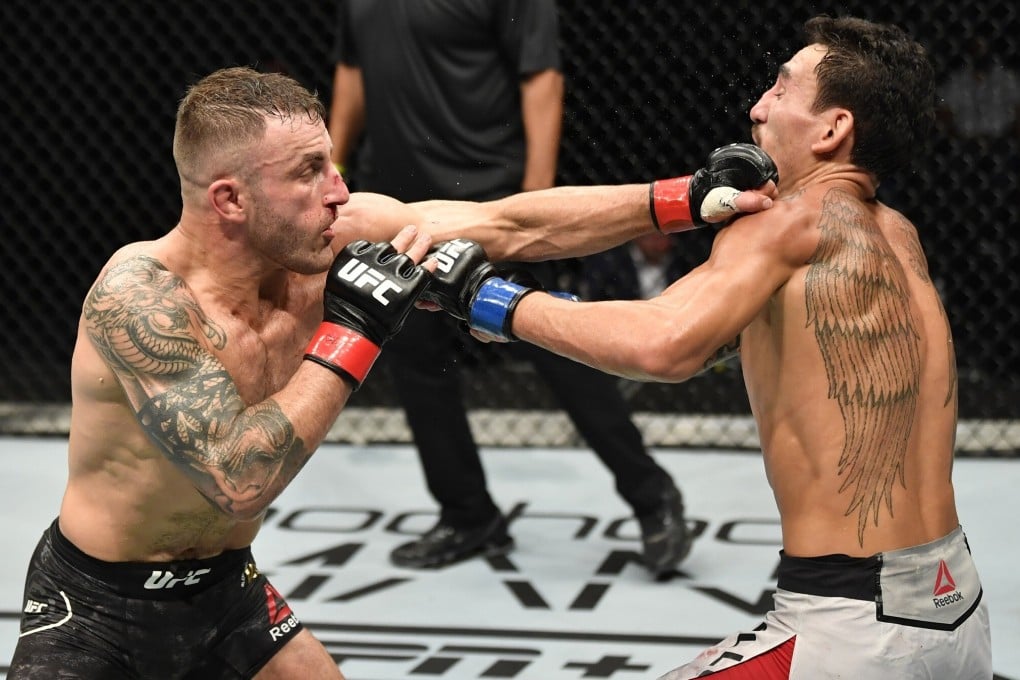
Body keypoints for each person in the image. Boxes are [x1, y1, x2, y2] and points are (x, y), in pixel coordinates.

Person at [8, 64, 774, 677]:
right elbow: (238, 476)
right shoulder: (141, 300)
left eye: (332, 164)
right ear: (229, 199)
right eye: (308, 172)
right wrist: (356, 328)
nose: (338, 190)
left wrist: (687, 198)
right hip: (96, 610)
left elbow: (513, 222)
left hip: (225, 591)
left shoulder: (334, 232)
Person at [343, 15, 993, 679]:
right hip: (956, 602)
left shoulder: (787, 223)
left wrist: (491, 301)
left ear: (833, 129)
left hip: (849, 629)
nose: (757, 107)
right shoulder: (899, 235)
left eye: (780, 87)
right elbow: (509, 226)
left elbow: (664, 345)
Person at [327, 0, 691, 578]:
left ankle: (652, 495)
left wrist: (534, 210)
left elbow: (542, 79)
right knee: (415, 360)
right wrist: (336, 167)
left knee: (556, 347)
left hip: (487, 201)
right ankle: (469, 514)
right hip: (397, 205)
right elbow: (352, 69)